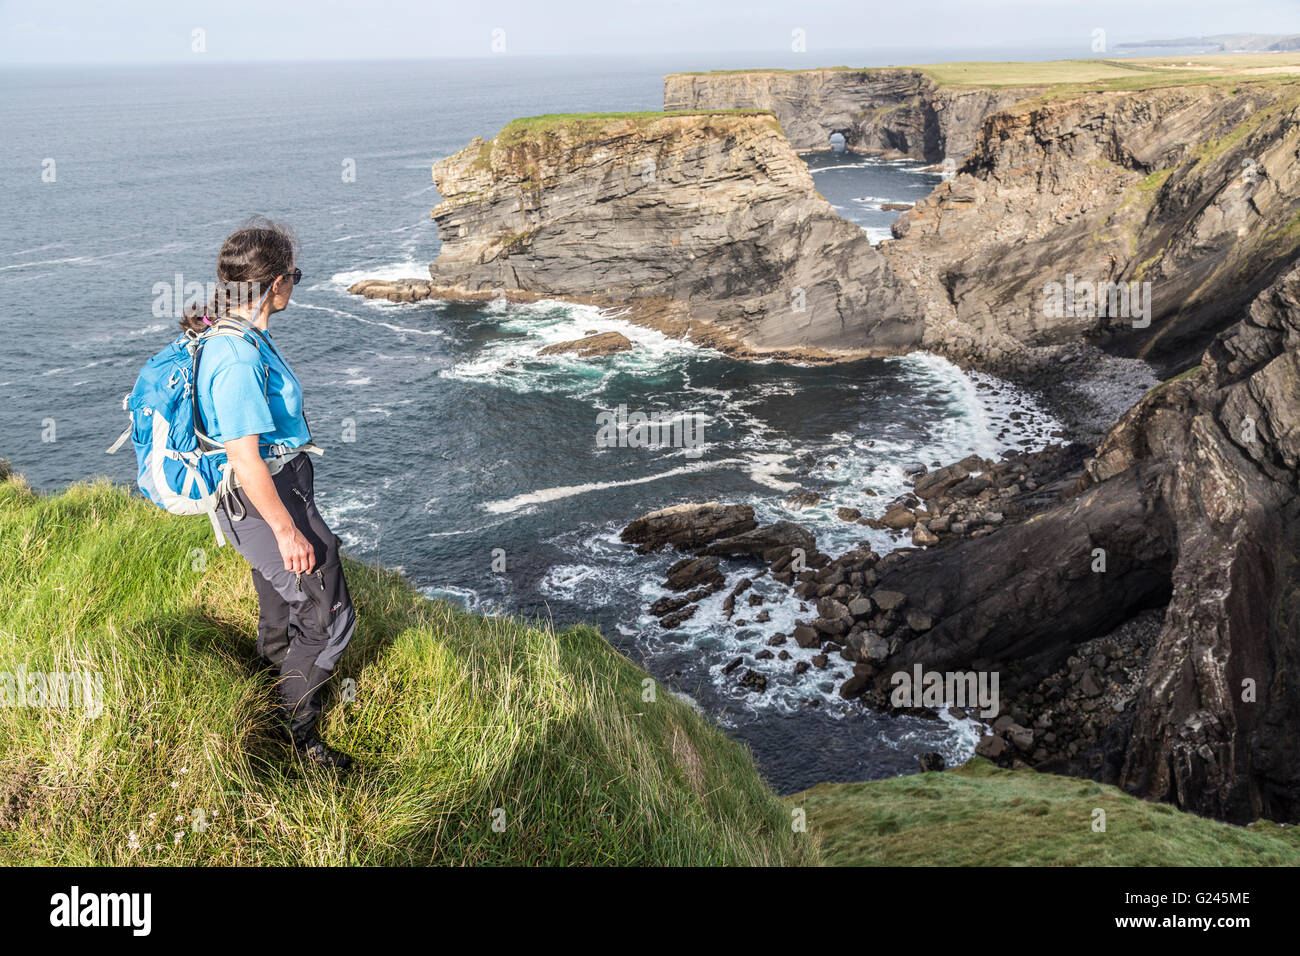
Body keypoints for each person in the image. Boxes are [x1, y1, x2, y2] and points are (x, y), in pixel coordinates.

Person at [180, 217, 355, 769]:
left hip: (276, 490)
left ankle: (274, 677)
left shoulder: (236, 334)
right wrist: (285, 530)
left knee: (281, 596)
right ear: (276, 283)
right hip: (264, 497)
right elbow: (243, 455)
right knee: (328, 612)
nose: (295, 286)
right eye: (295, 276)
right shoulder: (236, 356)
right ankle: (298, 740)